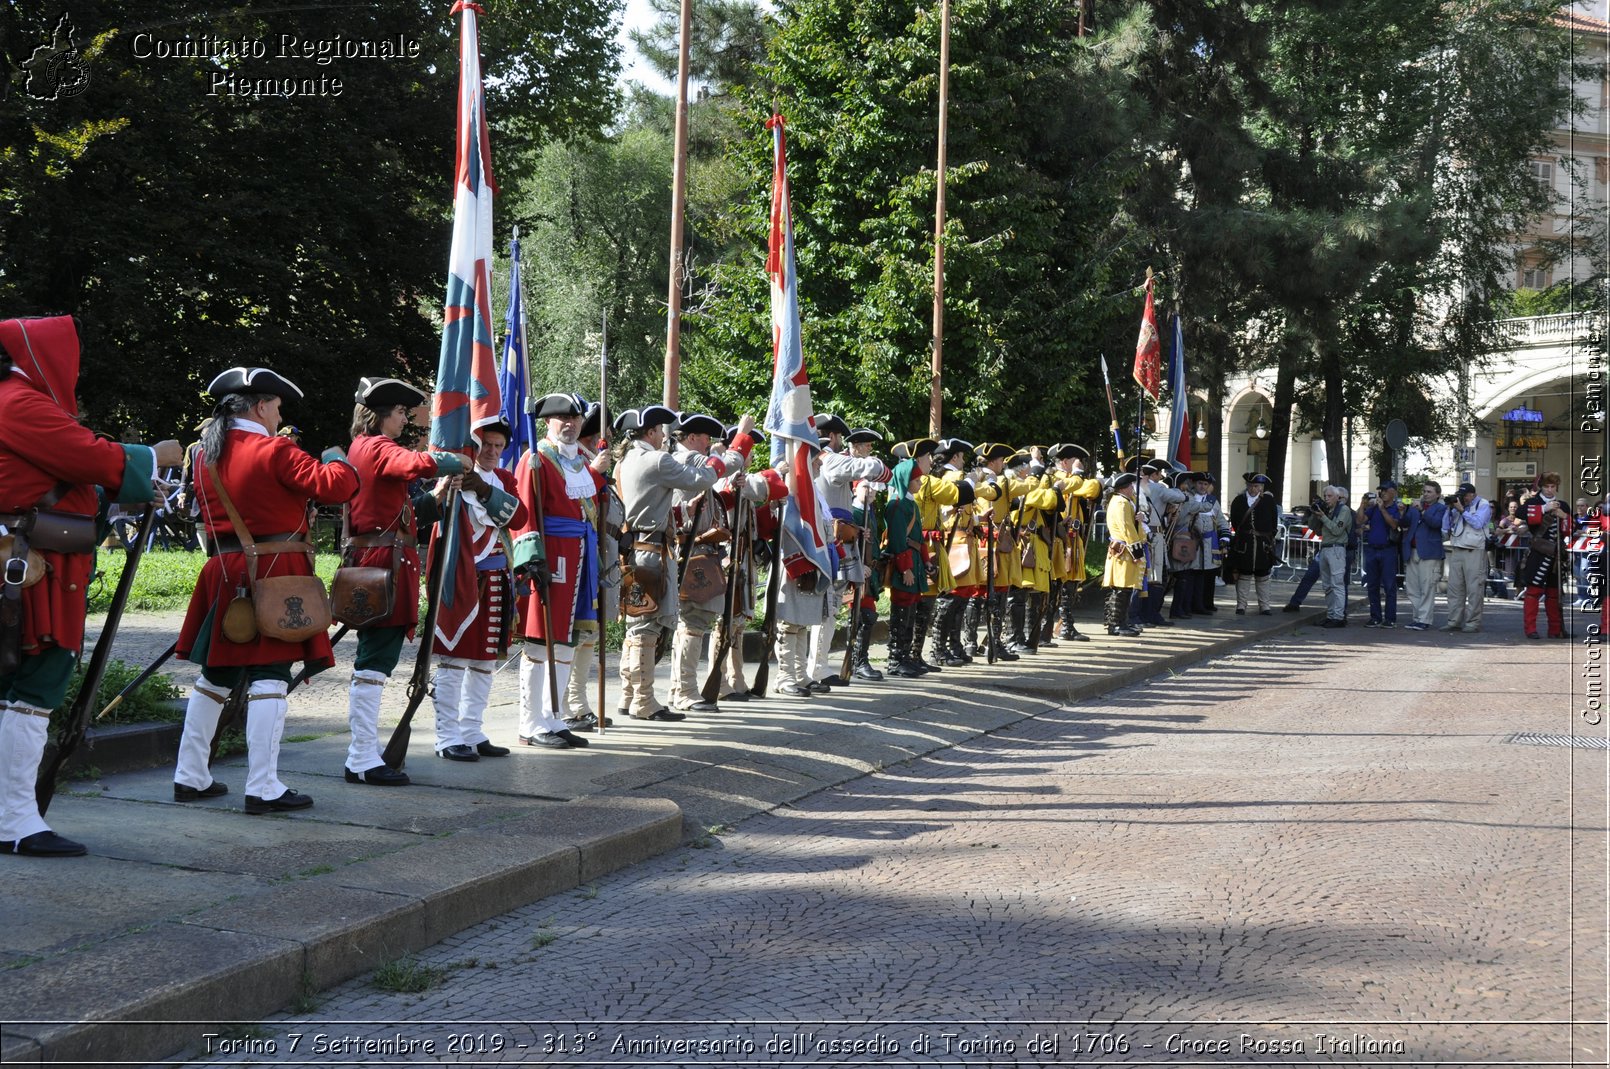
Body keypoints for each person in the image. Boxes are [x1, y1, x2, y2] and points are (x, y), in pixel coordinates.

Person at [0, 316, 180, 855]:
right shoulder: (19, 401)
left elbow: (68, 474)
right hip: (30, 565)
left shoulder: (18, 400)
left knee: (23, 684)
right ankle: (13, 819)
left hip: (39, 560)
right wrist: (154, 456)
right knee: (37, 680)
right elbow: (90, 455)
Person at [173, 366, 359, 815]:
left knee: (215, 677)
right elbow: (338, 487)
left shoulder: (203, 454)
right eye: (276, 407)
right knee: (270, 676)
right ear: (259, 405)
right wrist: (338, 457)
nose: (278, 416)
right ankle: (263, 786)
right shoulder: (274, 449)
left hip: (223, 569)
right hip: (275, 573)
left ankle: (190, 775)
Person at [342, 377, 476, 786]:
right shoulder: (376, 447)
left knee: (375, 661)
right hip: (381, 565)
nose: (404, 418)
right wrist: (456, 462)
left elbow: (401, 516)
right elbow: (412, 463)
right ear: (382, 414)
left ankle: (362, 755)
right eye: (400, 412)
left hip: (383, 559)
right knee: (374, 664)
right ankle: (362, 757)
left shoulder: (366, 448)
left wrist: (434, 497)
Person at [613, 405, 755, 721]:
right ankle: (644, 701)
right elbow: (705, 476)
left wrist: (680, 514)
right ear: (650, 432)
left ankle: (629, 696)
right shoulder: (656, 459)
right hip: (651, 551)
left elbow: (646, 506)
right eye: (660, 430)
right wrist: (739, 442)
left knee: (637, 624)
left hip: (638, 546)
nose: (664, 435)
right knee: (646, 628)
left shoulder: (626, 461)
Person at [510, 394, 612, 746]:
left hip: (581, 556)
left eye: (575, 418)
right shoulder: (536, 460)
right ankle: (529, 723)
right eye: (561, 419)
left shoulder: (579, 461)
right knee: (540, 643)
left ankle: (553, 717)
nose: (569, 424)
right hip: (550, 558)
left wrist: (597, 476)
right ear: (548, 423)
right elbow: (524, 514)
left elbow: (582, 503)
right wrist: (530, 559)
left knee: (568, 642)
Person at [430, 420, 527, 760]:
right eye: (487, 444)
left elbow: (518, 518)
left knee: (485, 659)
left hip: (497, 576)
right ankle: (447, 737)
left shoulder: (503, 480)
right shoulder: (454, 476)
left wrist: (485, 491)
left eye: (499, 446)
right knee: (455, 657)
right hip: (463, 577)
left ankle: (472, 731)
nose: (492, 452)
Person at [812, 416, 892, 682]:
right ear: (834, 437)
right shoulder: (828, 459)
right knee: (826, 608)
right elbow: (863, 469)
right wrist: (877, 466)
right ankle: (816, 668)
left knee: (828, 608)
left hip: (834, 538)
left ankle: (816, 667)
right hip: (828, 539)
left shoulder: (819, 458)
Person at [882, 439, 937, 675]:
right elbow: (896, 540)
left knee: (912, 608)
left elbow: (919, 539)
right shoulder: (896, 505)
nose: (920, 482)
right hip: (904, 564)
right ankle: (896, 659)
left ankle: (906, 656)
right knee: (902, 608)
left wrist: (925, 561)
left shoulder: (910, 504)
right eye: (916, 480)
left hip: (914, 561)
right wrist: (905, 568)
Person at [1049, 444, 1102, 641]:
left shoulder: (1072, 481)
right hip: (1061, 538)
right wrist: (1078, 474)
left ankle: (1065, 625)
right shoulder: (1058, 479)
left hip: (1073, 538)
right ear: (1064, 462)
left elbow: (1094, 488)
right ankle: (1055, 626)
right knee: (1060, 583)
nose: (1078, 465)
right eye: (1074, 461)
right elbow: (1088, 486)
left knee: (1071, 584)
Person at [1519, 472, 1572, 640]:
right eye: (1547, 486)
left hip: (1556, 554)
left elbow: (1569, 529)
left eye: (1553, 486)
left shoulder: (1562, 504)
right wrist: (1544, 509)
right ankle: (1530, 629)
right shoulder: (1533, 502)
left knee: (1554, 593)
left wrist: (1564, 517)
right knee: (1533, 591)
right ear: (1541, 487)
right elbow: (1521, 513)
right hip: (1539, 552)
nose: (1550, 490)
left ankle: (1555, 629)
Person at [1440, 482, 1491, 633]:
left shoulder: (1483, 504)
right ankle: (1454, 621)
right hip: (1457, 549)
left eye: (1465, 495)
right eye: (1461, 495)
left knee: (1475, 588)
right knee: (1454, 589)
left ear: (1473, 494)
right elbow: (1445, 526)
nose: (1463, 498)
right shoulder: (1457, 506)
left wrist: (1462, 510)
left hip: (1474, 550)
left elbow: (1478, 523)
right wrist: (1449, 510)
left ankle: (1472, 623)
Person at [1228, 472, 1280, 615]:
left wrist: (1268, 538)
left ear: (1261, 487)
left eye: (1256, 486)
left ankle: (1264, 606)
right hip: (1245, 544)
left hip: (1263, 544)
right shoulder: (1238, 501)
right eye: (1250, 485)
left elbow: (1274, 523)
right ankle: (1241, 605)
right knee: (1244, 574)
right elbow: (1235, 522)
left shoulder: (1268, 501)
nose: (1252, 489)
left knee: (1263, 575)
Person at [1101, 472, 1146, 636]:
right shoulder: (1121, 503)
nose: (1133, 488)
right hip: (1124, 550)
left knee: (1124, 589)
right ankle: (1117, 624)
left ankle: (1120, 622)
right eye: (1131, 485)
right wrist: (1137, 551)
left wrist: (1139, 518)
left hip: (1123, 549)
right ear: (1125, 488)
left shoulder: (1125, 501)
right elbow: (1127, 528)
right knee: (1122, 589)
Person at [1398, 481, 1447, 631]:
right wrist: (1403, 511)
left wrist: (1422, 512)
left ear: (1437, 494)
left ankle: (1424, 619)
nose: (1426, 494)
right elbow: (1404, 523)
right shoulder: (1414, 507)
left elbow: (1436, 524)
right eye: (1424, 491)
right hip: (1412, 550)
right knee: (1412, 587)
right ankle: (1417, 617)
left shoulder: (1441, 508)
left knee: (1427, 587)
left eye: (1429, 492)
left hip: (1429, 553)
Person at [1359, 478, 1404, 628]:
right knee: (1372, 585)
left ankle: (1390, 618)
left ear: (1393, 492)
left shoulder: (1396, 508)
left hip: (1388, 550)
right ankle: (1375, 617)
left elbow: (1393, 524)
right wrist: (1362, 505)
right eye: (1381, 490)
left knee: (1389, 585)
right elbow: (1360, 521)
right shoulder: (1373, 508)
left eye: (1385, 490)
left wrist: (1382, 509)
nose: (1382, 493)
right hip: (1372, 549)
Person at [1313, 485, 1353, 629]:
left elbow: (1337, 530)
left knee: (1337, 584)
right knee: (1327, 586)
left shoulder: (1343, 510)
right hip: (1325, 548)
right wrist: (1314, 513)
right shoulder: (1327, 510)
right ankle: (1330, 616)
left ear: (1338, 497)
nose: (1326, 499)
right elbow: (1314, 528)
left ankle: (1338, 617)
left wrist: (1323, 517)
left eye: (1329, 496)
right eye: (1325, 496)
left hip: (1337, 549)